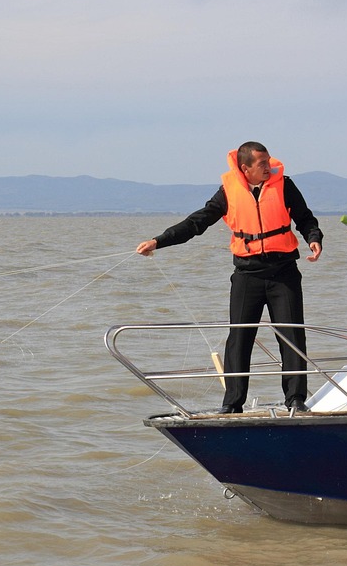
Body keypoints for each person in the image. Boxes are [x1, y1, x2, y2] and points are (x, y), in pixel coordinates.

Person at [136, 142, 323, 413]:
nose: (269, 167)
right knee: (239, 339)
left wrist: (313, 238)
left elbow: (305, 218)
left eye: (269, 161)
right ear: (245, 168)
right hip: (247, 274)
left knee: (292, 335)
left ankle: (295, 399)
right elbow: (196, 222)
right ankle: (233, 404)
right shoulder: (228, 191)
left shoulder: (285, 185)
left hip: (284, 272)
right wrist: (158, 241)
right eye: (262, 164)